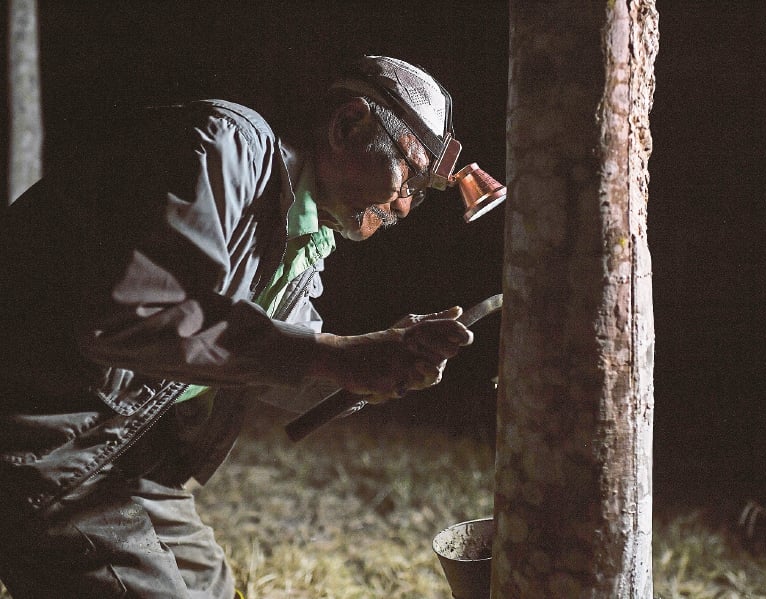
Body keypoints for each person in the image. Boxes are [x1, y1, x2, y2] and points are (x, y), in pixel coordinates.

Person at [0, 56, 478, 598]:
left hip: (121, 452)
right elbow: (134, 317)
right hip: (36, 444)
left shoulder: (301, 235)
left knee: (216, 590)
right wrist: (337, 354)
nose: (405, 206)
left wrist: (376, 367)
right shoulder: (225, 149)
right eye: (410, 176)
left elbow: (273, 360)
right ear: (348, 126)